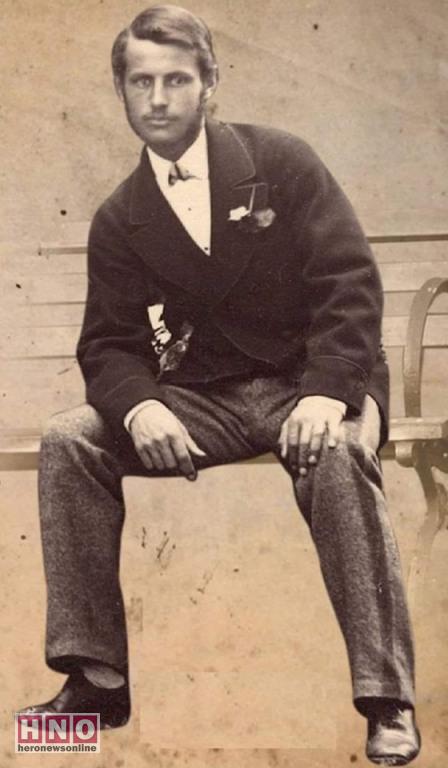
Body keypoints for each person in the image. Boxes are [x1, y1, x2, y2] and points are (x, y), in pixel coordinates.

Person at [20, 5, 420, 764]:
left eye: (177, 80)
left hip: (312, 380)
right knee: (69, 438)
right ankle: (95, 679)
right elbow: (109, 343)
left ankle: (386, 698)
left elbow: (349, 285)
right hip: (207, 396)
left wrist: (329, 393)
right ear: (120, 91)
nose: (159, 99)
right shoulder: (120, 217)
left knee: (339, 453)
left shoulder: (282, 162)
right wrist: (140, 408)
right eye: (141, 82)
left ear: (210, 84)